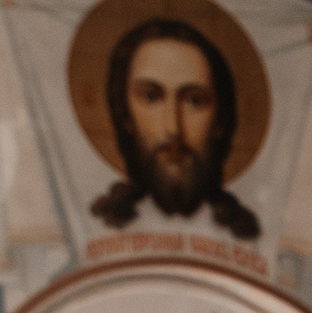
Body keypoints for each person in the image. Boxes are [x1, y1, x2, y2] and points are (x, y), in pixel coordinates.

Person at [90, 16, 260, 238]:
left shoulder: (242, 230)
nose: (173, 129)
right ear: (125, 115)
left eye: (194, 101)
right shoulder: (100, 226)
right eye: (150, 96)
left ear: (219, 120)